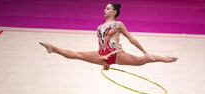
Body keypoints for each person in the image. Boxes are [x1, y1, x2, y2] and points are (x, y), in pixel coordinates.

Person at [40, 3, 178, 70]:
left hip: (116, 53)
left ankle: (167, 59)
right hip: (104, 55)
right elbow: (101, 44)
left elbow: (131, 38)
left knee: (144, 60)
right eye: (105, 8)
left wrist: (144, 51)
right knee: (78, 54)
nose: (104, 10)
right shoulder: (99, 27)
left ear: (114, 11)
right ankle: (53, 48)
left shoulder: (118, 24)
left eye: (107, 8)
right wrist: (106, 62)